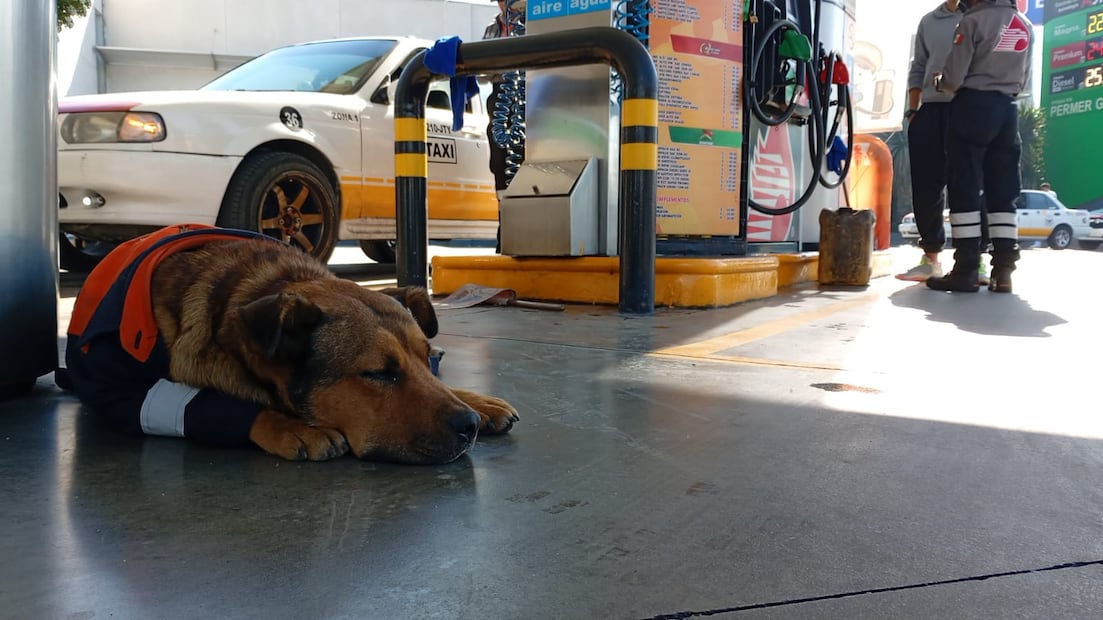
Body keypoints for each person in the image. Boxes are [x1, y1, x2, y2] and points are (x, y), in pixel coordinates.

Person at [927, 0, 1032, 293]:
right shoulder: (1024, 25)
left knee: (965, 187)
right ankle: (1003, 271)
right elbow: (1022, 81)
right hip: (1007, 111)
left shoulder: (972, 22)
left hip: (973, 107)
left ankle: (966, 269)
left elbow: (952, 80)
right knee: (1002, 193)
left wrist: (938, 80)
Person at [896, 0, 991, 285]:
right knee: (927, 185)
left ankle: (979, 261)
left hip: (968, 105)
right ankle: (931, 259)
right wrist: (914, 111)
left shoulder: (981, 16)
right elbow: (919, 66)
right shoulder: (929, 21)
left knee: (972, 184)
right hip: (930, 110)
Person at [483, 0, 525, 252]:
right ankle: (505, 233)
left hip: (527, 94)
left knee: (522, 160)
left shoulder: (534, 22)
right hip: (499, 96)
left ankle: (523, 232)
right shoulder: (492, 28)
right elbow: (481, 72)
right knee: (499, 164)